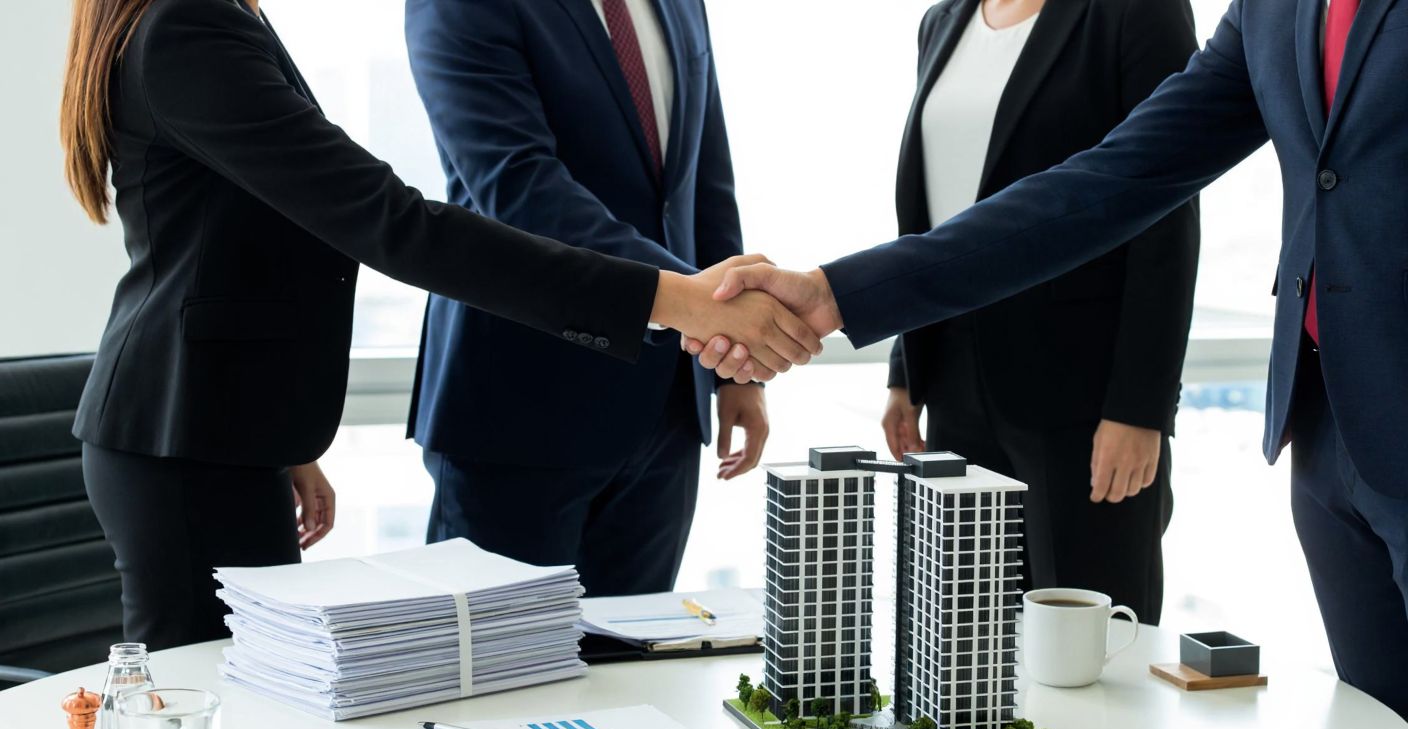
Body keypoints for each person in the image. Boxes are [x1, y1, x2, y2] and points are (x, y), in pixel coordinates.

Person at [699, 0, 1408, 719]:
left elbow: (1167, 236)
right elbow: (1117, 178)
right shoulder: (1273, 8)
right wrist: (838, 295)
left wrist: (1139, 403)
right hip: (1329, 426)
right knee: (1384, 726)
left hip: (1128, 392)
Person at [59, 0, 819, 649]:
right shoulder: (186, 30)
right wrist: (673, 298)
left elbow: (251, 247)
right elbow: (394, 222)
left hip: (218, 432)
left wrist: (278, 436)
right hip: (182, 442)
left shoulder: (211, 20)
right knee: (208, 718)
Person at [403, 0, 764, 596]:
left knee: (637, 670)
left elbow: (703, 183)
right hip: (518, 409)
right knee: (498, 676)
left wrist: (735, 369)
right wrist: (702, 309)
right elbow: (519, 188)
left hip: (666, 410)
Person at [879, 0, 1198, 623]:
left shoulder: (1137, 13)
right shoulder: (943, 21)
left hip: (1083, 396)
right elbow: (934, 214)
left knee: (1092, 645)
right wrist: (905, 367)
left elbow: (1169, 214)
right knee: (962, 643)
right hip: (953, 378)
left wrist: (1140, 407)